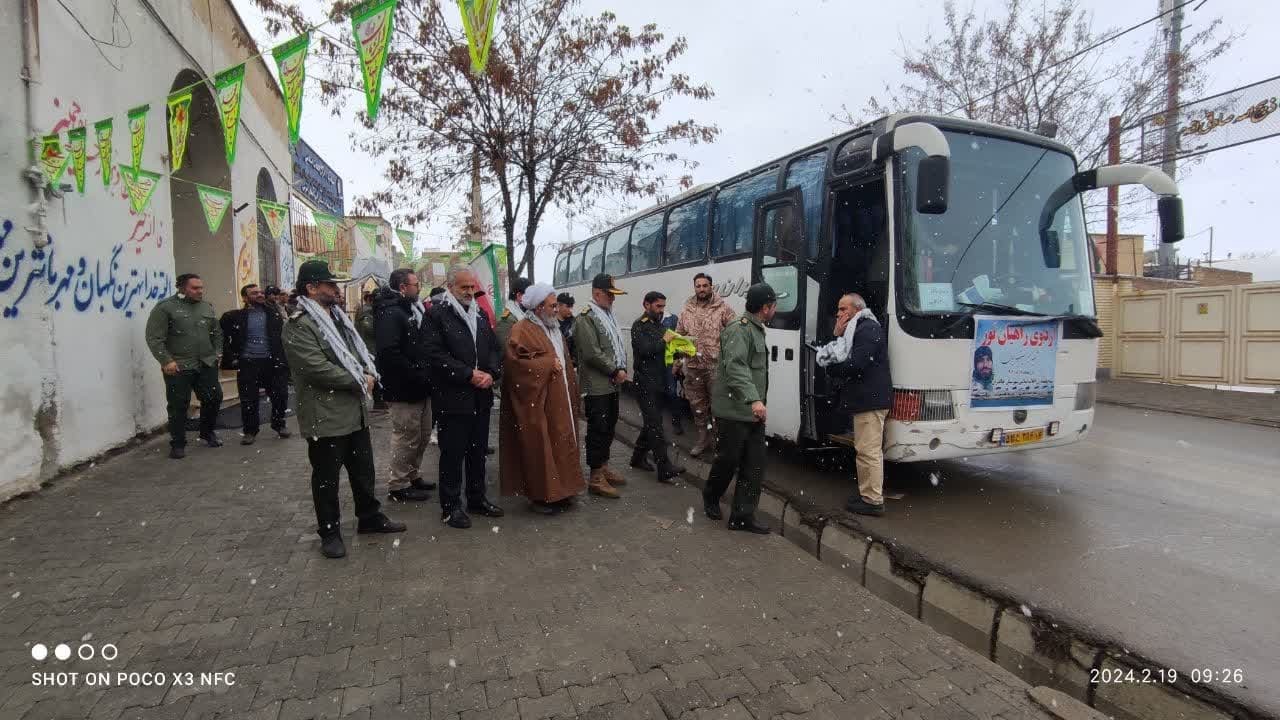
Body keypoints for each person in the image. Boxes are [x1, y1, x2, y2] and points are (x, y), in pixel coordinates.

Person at [283, 260, 406, 559]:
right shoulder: (299, 324)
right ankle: (329, 531)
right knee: (326, 478)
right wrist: (358, 379)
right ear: (311, 288)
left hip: (354, 411)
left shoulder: (338, 318)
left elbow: (357, 350)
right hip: (325, 415)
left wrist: (369, 370)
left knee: (363, 471)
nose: (337, 289)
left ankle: (369, 517)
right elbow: (314, 367)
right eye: (330, 284)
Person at [421, 265, 505, 529]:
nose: (470, 292)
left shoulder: (478, 315)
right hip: (453, 398)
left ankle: (477, 498)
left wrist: (491, 372)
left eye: (472, 287)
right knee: (453, 454)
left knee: (477, 452)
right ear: (451, 287)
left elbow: (493, 348)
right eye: (464, 288)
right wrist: (468, 374)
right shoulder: (437, 315)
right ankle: (450, 506)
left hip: (480, 398)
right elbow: (434, 355)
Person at [499, 283, 585, 514]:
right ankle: (542, 497)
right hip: (538, 404)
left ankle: (563, 490)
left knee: (562, 444)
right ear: (538, 308)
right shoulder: (521, 329)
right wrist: (546, 365)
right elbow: (515, 365)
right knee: (541, 447)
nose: (556, 309)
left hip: (560, 401)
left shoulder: (553, 328)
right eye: (552, 305)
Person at [702, 283, 777, 534]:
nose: (774, 310)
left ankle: (742, 516)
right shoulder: (739, 330)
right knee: (728, 461)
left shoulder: (756, 330)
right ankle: (711, 496)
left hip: (752, 413)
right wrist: (754, 399)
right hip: (734, 411)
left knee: (755, 465)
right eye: (773, 306)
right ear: (765, 308)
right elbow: (736, 368)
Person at [824, 293, 893, 517]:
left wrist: (832, 369)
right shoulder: (857, 329)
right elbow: (839, 351)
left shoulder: (867, 329)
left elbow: (857, 364)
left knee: (868, 451)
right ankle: (867, 494)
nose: (839, 314)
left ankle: (873, 501)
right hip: (867, 399)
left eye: (843, 309)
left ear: (857, 309)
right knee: (865, 450)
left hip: (870, 401)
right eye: (838, 309)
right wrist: (837, 333)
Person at [145, 273, 224, 460]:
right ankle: (178, 443)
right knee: (178, 405)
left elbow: (217, 332)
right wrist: (166, 360)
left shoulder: (207, 307)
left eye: (201, 287)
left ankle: (207, 432)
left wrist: (217, 353)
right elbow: (155, 338)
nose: (200, 291)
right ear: (181, 288)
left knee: (214, 398)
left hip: (206, 363)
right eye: (195, 288)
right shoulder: (165, 308)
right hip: (179, 365)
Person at [374, 268, 435, 503]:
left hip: (419, 386)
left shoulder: (409, 309)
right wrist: (416, 373)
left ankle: (412, 474)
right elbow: (390, 353)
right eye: (415, 284)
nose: (418, 288)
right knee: (407, 436)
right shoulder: (391, 313)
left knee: (422, 434)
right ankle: (398, 485)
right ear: (402, 288)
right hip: (403, 389)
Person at [573, 273, 631, 498]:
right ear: (597, 293)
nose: (613, 299)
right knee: (598, 429)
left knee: (609, 426)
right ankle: (595, 476)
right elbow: (591, 353)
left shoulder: (607, 315)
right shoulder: (586, 318)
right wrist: (615, 370)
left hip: (611, 385)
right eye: (609, 295)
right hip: (598, 385)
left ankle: (603, 466)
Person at [220, 283, 290, 445]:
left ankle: (279, 424)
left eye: (260, 292)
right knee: (248, 400)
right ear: (244, 298)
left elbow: (283, 337)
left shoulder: (273, 314)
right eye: (254, 293)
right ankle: (250, 431)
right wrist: (231, 355)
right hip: (248, 363)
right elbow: (221, 334)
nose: (259, 295)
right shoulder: (235, 317)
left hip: (272, 363)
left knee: (280, 395)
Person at [676, 273, 735, 457]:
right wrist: (677, 361)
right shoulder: (686, 309)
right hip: (693, 367)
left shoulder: (722, 308)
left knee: (718, 407)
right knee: (697, 406)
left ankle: (720, 443)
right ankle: (703, 439)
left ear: (711, 287)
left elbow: (735, 333)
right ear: (694, 287)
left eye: (705, 285)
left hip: (715, 367)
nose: (701, 289)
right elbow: (678, 336)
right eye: (698, 286)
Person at [630, 291, 685, 483]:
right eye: (658, 306)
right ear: (646, 305)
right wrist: (665, 340)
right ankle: (664, 467)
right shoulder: (639, 326)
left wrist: (682, 350)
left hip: (660, 381)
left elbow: (667, 350)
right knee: (655, 425)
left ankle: (637, 458)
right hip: (645, 382)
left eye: (663, 306)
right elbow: (645, 350)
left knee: (651, 422)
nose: (661, 310)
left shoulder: (658, 325)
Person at [660, 309, 686, 435]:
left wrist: (679, 360)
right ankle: (656, 423)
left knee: (672, 392)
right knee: (658, 392)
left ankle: (676, 423)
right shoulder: (647, 321)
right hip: (655, 363)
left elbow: (679, 341)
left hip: (670, 362)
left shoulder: (672, 319)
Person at [496, 276, 533, 349]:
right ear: (519, 296)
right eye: (529, 296)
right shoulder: (506, 320)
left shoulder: (527, 315)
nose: (532, 300)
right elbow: (507, 349)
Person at [556, 292, 576, 358]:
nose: (570, 310)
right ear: (558, 305)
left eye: (571, 306)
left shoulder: (574, 321)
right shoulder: (552, 324)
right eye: (568, 306)